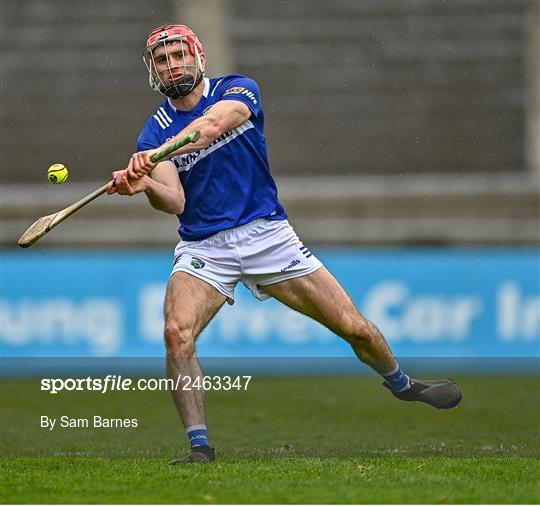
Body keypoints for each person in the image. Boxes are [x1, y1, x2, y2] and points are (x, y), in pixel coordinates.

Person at [107, 24, 462, 464]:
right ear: (152, 71)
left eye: (179, 54)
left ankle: (402, 383)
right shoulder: (153, 130)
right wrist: (143, 185)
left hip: (268, 235)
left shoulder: (237, 89)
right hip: (205, 247)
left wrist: (160, 154)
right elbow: (174, 199)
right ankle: (200, 446)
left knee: (354, 328)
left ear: (198, 57)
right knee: (176, 335)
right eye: (162, 60)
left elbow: (212, 127)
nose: (172, 64)